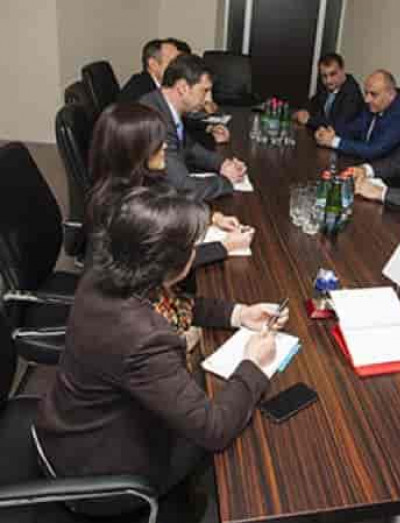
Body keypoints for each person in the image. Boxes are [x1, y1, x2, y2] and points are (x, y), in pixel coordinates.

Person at [34, 185, 289, 517]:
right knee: (247, 454)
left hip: (68, 426)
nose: (195, 253)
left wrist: (239, 314)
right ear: (170, 264)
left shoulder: (108, 271)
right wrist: (253, 364)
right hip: (96, 472)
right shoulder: (144, 338)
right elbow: (213, 429)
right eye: (192, 248)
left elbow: (173, 304)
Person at [87, 102, 252, 267]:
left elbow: (173, 204)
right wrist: (225, 247)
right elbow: (168, 263)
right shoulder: (128, 210)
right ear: (135, 149)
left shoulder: (132, 182)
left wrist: (213, 217)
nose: (165, 145)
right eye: (158, 142)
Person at [141, 54, 244, 201]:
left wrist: (222, 164)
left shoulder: (165, 105)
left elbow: (189, 147)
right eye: (205, 91)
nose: (209, 100)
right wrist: (226, 181)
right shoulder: (156, 119)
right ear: (183, 88)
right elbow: (183, 188)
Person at [314, 69, 400, 161]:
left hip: (384, 170)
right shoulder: (374, 106)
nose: (367, 100)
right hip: (362, 161)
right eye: (366, 93)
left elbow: (374, 149)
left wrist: (334, 141)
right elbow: (354, 128)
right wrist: (331, 132)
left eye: (373, 94)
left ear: (391, 95)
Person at [293, 52, 363, 131]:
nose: (328, 80)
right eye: (324, 76)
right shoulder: (327, 86)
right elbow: (314, 102)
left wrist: (309, 120)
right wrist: (304, 111)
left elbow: (338, 124)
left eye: (333, 74)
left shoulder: (352, 93)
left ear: (342, 70)